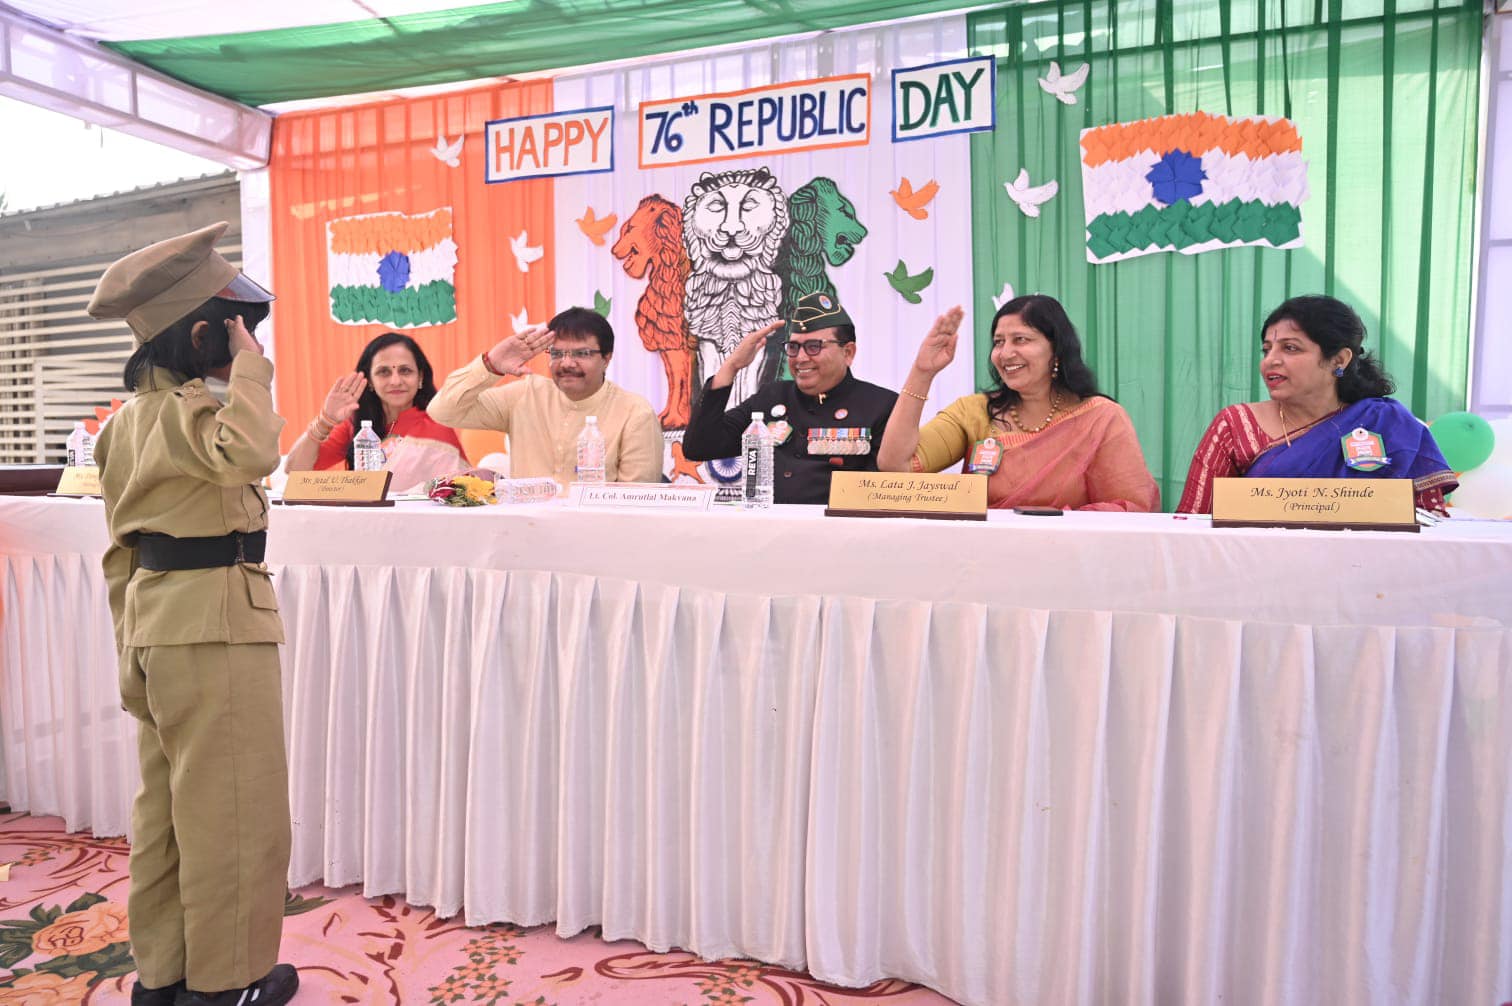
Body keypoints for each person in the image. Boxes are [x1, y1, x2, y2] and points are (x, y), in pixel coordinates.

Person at [88, 222, 300, 1006]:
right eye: (237, 328)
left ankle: (165, 976)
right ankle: (226, 985)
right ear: (203, 334)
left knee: (169, 813)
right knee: (237, 814)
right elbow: (252, 453)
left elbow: (122, 549)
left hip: (158, 627)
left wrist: (129, 646)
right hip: (216, 627)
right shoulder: (190, 414)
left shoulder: (125, 422)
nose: (250, 341)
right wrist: (253, 374)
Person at [1177, 294, 1458, 514]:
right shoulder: (1235, 426)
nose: (1270, 361)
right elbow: (1192, 522)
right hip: (1259, 566)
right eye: (1266, 350)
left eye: (1290, 348)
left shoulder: (1386, 423)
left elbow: (1429, 521)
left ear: (1339, 360)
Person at [877, 294, 1158, 511]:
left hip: (1069, 559)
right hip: (982, 559)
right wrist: (922, 372)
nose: (1005, 353)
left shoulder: (1101, 418)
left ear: (1057, 350)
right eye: (999, 342)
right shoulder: (974, 412)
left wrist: (1050, 526)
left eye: (1021, 339)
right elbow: (896, 465)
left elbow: (1130, 508)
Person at [681, 290, 898, 504]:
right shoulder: (771, 397)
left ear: (848, 352)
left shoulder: (881, 406)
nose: (800, 358)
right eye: (793, 347)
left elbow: (882, 494)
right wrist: (731, 366)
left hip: (837, 525)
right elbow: (699, 446)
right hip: (769, 525)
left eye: (814, 347)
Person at [427, 307, 663, 487]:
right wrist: (490, 365)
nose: (567, 363)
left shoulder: (634, 413)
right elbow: (442, 411)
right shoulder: (525, 395)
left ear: (606, 358)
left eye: (582, 353)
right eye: (557, 353)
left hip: (596, 534)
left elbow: (634, 503)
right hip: (526, 532)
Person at [283, 332, 466, 492]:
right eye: (384, 372)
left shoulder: (437, 427)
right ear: (369, 381)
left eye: (405, 371)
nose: (395, 381)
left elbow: (461, 492)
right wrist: (325, 420)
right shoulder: (357, 425)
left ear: (420, 377)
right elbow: (295, 470)